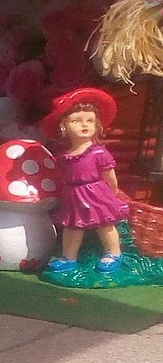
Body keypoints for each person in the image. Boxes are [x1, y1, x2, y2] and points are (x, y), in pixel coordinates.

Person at [42, 86, 131, 277]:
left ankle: (114, 253)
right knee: (72, 227)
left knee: (104, 224)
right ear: (64, 127)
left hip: (96, 194)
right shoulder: (64, 156)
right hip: (73, 195)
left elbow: (110, 177)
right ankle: (68, 257)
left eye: (90, 121)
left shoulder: (98, 152)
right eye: (76, 121)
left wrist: (112, 194)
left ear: (97, 125)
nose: (84, 125)